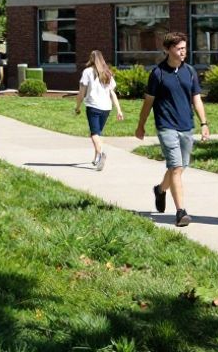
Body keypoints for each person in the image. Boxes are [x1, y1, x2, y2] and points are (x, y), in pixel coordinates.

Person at [135, 32, 210, 227]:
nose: (183, 52)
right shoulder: (158, 73)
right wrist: (141, 125)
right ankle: (181, 212)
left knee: (180, 167)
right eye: (179, 49)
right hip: (166, 126)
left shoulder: (190, 72)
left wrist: (204, 123)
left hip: (187, 126)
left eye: (184, 48)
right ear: (167, 50)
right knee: (176, 167)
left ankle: (160, 190)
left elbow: (196, 98)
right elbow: (148, 102)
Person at [73, 50, 125, 168]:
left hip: (93, 106)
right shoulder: (107, 73)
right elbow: (112, 93)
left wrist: (77, 107)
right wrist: (119, 110)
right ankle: (96, 158)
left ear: (91, 59)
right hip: (106, 108)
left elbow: (81, 93)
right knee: (99, 133)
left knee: (94, 134)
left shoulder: (87, 72)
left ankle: (101, 154)